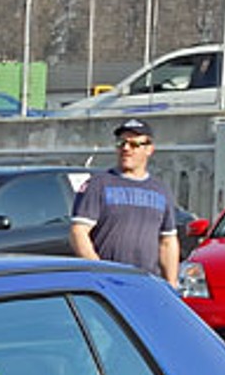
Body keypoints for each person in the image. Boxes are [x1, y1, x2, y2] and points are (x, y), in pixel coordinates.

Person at [70, 117, 180, 282]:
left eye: (134, 144)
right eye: (121, 143)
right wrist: (100, 271)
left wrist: (171, 285)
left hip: (147, 281)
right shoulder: (98, 184)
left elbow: (168, 241)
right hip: (108, 282)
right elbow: (78, 232)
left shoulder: (160, 190)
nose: (126, 148)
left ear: (149, 149)